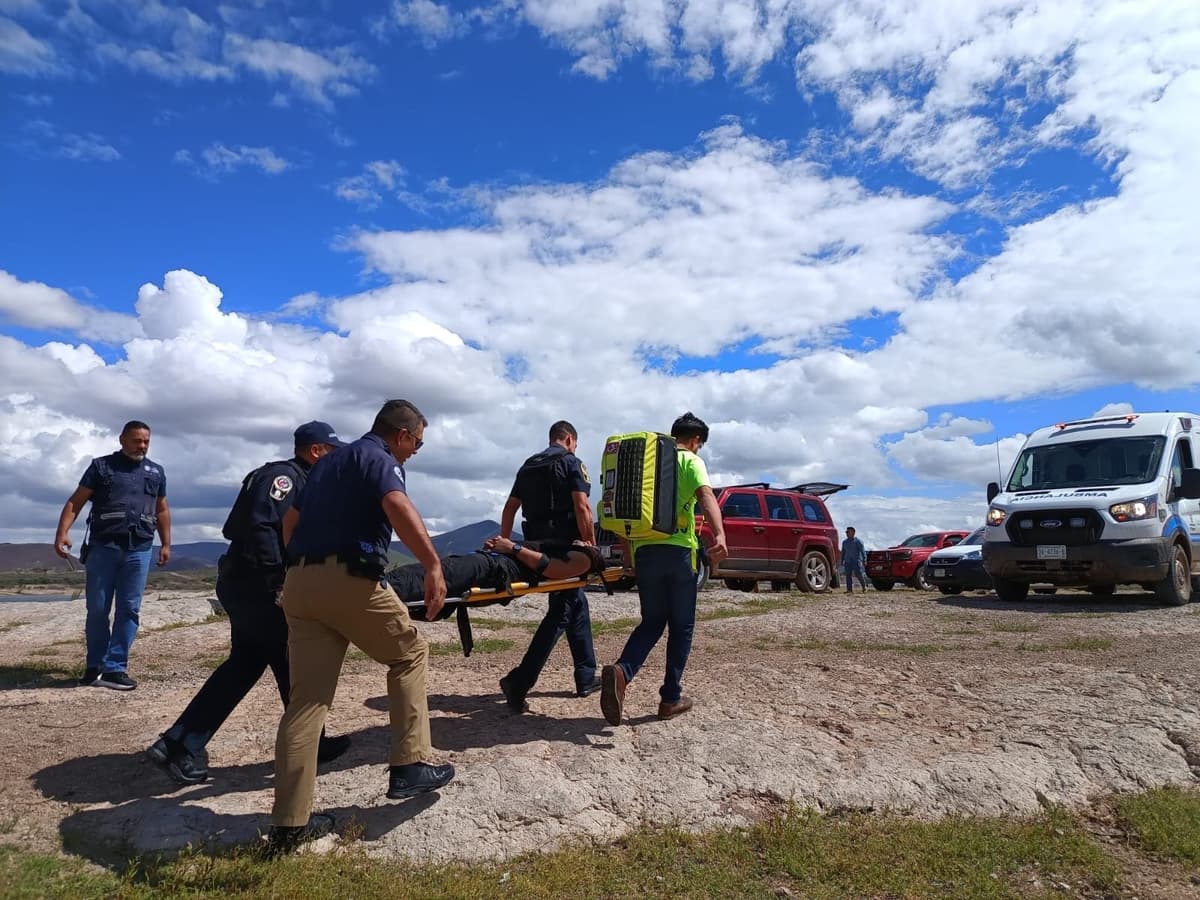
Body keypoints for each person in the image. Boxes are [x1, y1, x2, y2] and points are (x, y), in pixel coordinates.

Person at [268, 400, 453, 856]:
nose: (415, 452)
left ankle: (291, 824)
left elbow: (290, 522)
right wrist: (432, 565)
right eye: (418, 443)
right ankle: (409, 765)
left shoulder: (327, 465)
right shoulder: (379, 459)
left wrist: (308, 566)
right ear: (403, 434)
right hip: (347, 577)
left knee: (306, 702)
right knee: (409, 653)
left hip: (299, 584)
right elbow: (396, 505)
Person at [147, 421, 353, 785]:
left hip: (248, 583)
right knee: (284, 664)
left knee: (263, 664)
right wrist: (278, 583)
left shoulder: (300, 480)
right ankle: (180, 745)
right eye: (333, 452)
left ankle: (180, 744)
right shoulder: (285, 478)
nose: (336, 459)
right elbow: (261, 527)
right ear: (317, 451)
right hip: (258, 585)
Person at [599, 412, 728, 725]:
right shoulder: (690, 461)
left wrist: (629, 554)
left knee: (653, 621)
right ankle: (670, 698)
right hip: (679, 553)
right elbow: (706, 495)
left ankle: (622, 671)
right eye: (700, 444)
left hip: (645, 552)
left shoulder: (646, 467)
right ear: (695, 440)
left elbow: (625, 512)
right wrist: (721, 534)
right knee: (681, 626)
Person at [54, 420, 171, 691]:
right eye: (136, 441)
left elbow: (162, 509)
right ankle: (95, 664)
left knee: (129, 609)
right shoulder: (101, 467)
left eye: (146, 442)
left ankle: (115, 668)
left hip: (139, 547)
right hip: (103, 547)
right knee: (97, 609)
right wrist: (62, 533)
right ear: (122, 440)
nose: (142, 446)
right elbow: (76, 501)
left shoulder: (156, 472)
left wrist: (165, 544)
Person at [497, 421, 598, 714]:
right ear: (569, 439)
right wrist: (589, 547)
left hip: (535, 549)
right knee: (563, 611)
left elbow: (509, 508)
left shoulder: (528, 465)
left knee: (575, 603)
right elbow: (582, 507)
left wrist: (506, 544)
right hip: (564, 550)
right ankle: (520, 680)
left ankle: (585, 675)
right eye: (575, 444)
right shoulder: (571, 463)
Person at [390, 537, 606, 612]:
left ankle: (381, 591)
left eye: (590, 545)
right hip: (490, 562)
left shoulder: (585, 559)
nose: (587, 541)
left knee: (436, 577)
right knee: (433, 572)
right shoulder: (573, 549)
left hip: (493, 569)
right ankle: (381, 587)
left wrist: (512, 547)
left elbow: (549, 568)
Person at [841, 526, 869, 593]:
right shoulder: (844, 542)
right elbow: (843, 552)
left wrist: (864, 559)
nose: (847, 533)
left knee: (858, 574)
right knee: (848, 575)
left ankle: (864, 587)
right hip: (847, 561)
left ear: (853, 532)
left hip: (856, 561)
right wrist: (842, 560)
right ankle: (849, 590)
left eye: (848, 532)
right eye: (846, 532)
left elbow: (862, 551)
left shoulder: (858, 541)